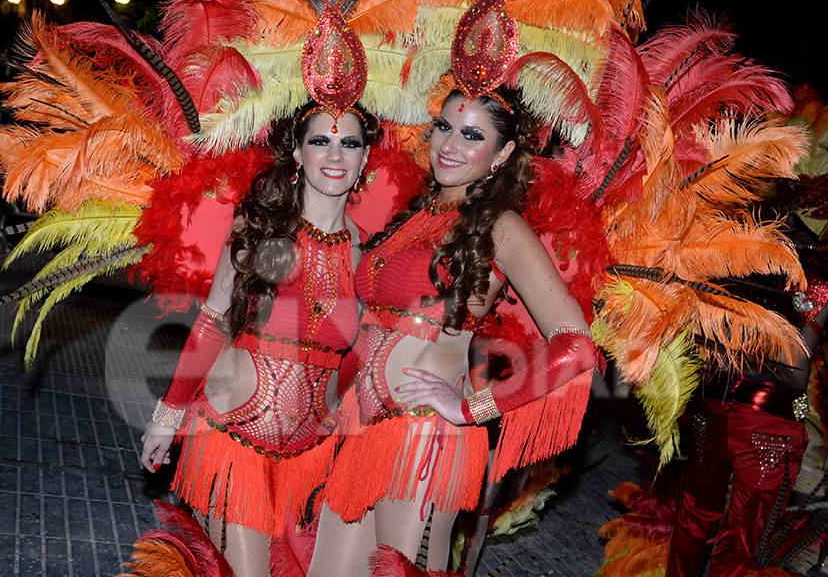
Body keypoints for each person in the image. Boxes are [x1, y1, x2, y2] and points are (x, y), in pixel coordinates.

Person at [307, 86, 599, 577]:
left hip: (425, 437)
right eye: (444, 127)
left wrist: (471, 409)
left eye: (470, 135)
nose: (449, 145)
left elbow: (576, 346)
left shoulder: (502, 228)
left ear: (502, 153)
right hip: (362, 429)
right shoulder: (415, 217)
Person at [140, 100, 380, 577]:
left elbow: (360, 359)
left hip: (310, 462)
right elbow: (212, 323)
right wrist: (167, 416)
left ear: (365, 159)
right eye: (320, 141)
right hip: (231, 441)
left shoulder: (370, 254)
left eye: (349, 143)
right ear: (296, 152)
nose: (335, 155)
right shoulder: (262, 227)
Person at [666, 215, 828, 577]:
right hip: (769, 420)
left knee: (695, 514)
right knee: (742, 537)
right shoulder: (818, 280)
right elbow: (796, 361)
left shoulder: (730, 259)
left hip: (715, 404)